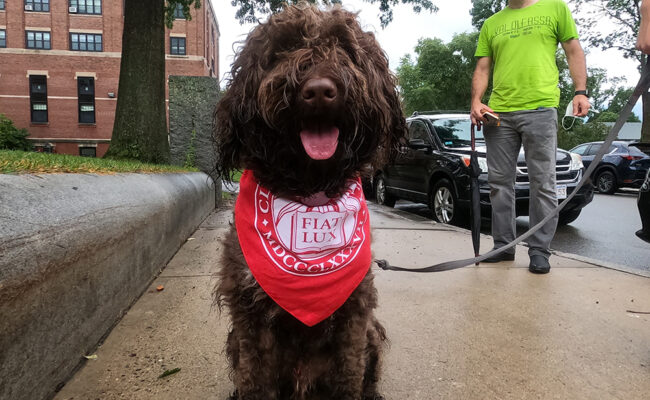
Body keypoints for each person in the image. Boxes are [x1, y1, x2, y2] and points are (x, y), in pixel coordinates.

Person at [470, 0, 590, 274]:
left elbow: (573, 50)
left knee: (543, 183)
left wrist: (580, 90)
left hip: (540, 108)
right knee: (500, 184)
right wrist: (476, 101)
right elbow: (483, 68)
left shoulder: (555, 8)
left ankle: (539, 250)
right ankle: (503, 247)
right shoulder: (492, 23)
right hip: (499, 113)